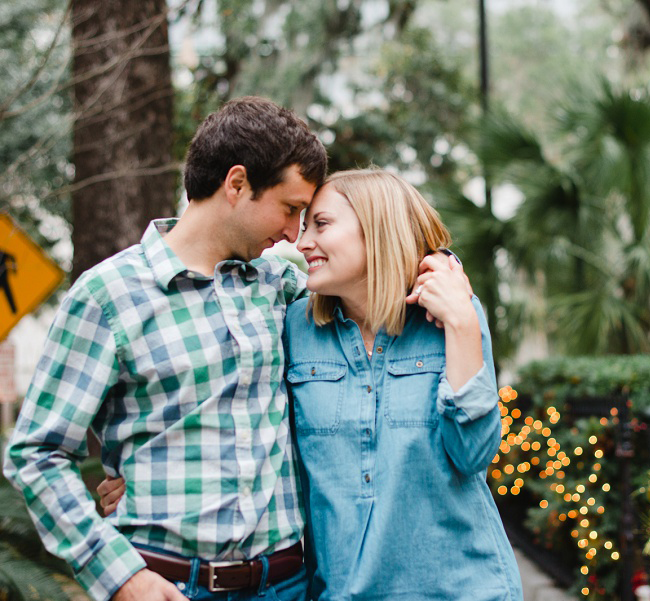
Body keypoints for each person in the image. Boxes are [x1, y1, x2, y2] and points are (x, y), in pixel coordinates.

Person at [3, 96, 327, 601]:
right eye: (291, 209)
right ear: (237, 184)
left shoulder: (280, 285)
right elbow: (36, 453)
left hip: (286, 584)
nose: (293, 232)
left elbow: (376, 273)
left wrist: (446, 267)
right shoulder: (106, 296)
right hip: (164, 586)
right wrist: (120, 576)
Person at [285, 169, 523, 600]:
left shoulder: (455, 316)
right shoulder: (294, 329)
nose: (302, 243)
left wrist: (462, 323)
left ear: (377, 228)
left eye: (320, 224)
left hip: (464, 589)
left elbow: (474, 455)